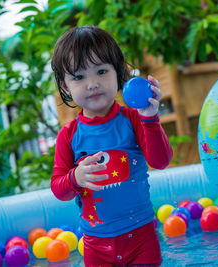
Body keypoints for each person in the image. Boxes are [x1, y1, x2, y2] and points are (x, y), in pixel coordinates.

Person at [50, 25, 173, 266]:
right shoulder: (69, 136)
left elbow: (161, 161)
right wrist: (75, 177)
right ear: (65, 86)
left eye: (102, 71)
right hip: (96, 242)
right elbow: (58, 188)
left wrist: (150, 118)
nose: (92, 83)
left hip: (142, 235)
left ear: (117, 72)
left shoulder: (134, 119)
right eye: (79, 76)